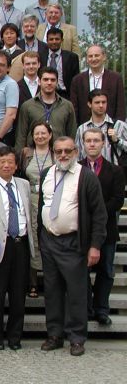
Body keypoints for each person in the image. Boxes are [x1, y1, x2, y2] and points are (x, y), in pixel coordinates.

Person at [38, 136, 107, 357]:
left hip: (73, 242)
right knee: (52, 291)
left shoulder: (85, 176)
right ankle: (55, 335)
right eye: (58, 151)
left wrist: (95, 246)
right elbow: (43, 205)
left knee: (76, 292)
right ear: (53, 153)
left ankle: (77, 337)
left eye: (68, 151)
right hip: (49, 241)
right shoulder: (46, 174)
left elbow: (99, 214)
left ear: (76, 152)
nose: (63, 155)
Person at [0, 146, 34, 351]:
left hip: (20, 244)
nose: (7, 165)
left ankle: (15, 337)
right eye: (2, 162)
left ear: (16, 165)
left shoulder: (24, 185)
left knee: (19, 295)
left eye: (10, 162)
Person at [80, 128, 125, 326]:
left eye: (96, 140)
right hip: (81, 229)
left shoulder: (115, 170)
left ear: (103, 143)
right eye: (88, 140)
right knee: (81, 272)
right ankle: (86, 308)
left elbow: (117, 200)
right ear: (83, 144)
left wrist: (97, 213)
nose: (92, 144)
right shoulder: (77, 168)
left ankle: (101, 309)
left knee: (105, 271)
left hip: (107, 228)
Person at [19, 121, 54, 298]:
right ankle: (32, 283)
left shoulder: (56, 154)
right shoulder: (26, 153)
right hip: (30, 199)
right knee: (32, 236)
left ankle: (50, 281)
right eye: (36, 134)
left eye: (43, 133)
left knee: (48, 236)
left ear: (50, 135)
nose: (40, 136)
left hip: (51, 199)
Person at [15, 67, 77, 149]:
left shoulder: (67, 106)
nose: (49, 83)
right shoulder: (27, 106)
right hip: (34, 155)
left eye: (52, 80)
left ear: (57, 82)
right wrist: (20, 158)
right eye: (46, 79)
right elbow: (21, 136)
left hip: (59, 154)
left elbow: (72, 134)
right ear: (39, 82)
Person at [69, 45, 125, 124]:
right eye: (90, 56)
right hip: (85, 128)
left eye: (97, 55)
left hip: (110, 127)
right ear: (87, 60)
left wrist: (118, 128)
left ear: (104, 57)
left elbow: (120, 107)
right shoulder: (77, 80)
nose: (93, 59)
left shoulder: (116, 78)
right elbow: (74, 108)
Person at [74, 89, 127, 162]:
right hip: (89, 171)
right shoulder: (82, 129)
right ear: (89, 104)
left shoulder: (119, 125)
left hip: (113, 171)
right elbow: (77, 156)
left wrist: (118, 141)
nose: (101, 105)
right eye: (97, 102)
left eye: (104, 102)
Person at [41, 27, 80, 99]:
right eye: (51, 39)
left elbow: (76, 80)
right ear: (47, 41)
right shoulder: (40, 56)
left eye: (57, 39)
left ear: (62, 40)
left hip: (65, 95)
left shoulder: (72, 57)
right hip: (44, 95)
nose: (54, 42)